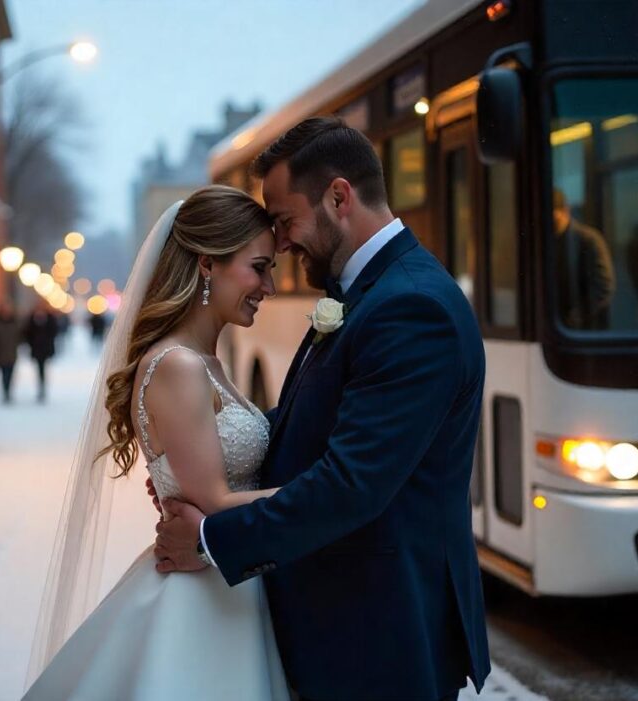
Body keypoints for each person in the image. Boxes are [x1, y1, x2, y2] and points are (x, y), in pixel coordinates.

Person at [153, 118, 490, 700]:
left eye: (285, 221)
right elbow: (315, 424)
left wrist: (213, 537)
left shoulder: (409, 307)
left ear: (339, 196)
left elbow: (352, 484)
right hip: (344, 622)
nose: (280, 245)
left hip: (381, 633)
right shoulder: (362, 294)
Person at [25, 186, 286, 699]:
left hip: (230, 580)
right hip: (204, 595)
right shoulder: (178, 365)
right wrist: (339, 490)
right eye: (259, 267)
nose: (269, 286)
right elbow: (214, 501)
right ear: (207, 265)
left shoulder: (204, 361)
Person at [553, 188, 615, 330]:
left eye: (554, 218)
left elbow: (603, 285)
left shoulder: (588, 240)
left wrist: (579, 314)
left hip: (586, 327)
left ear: (565, 211)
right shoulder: (547, 242)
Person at [24, 300, 58, 403]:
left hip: (45, 348)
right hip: (36, 348)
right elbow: (27, 332)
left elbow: (54, 331)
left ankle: (42, 387)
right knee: (39, 368)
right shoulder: (32, 318)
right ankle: (41, 386)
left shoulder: (50, 317)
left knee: (42, 368)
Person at [0, 301, 23, 403]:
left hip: (11, 353)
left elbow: (20, 336)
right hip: (0, 353)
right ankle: (5, 391)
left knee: (10, 374)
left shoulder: (14, 322)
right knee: (4, 374)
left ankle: (8, 391)